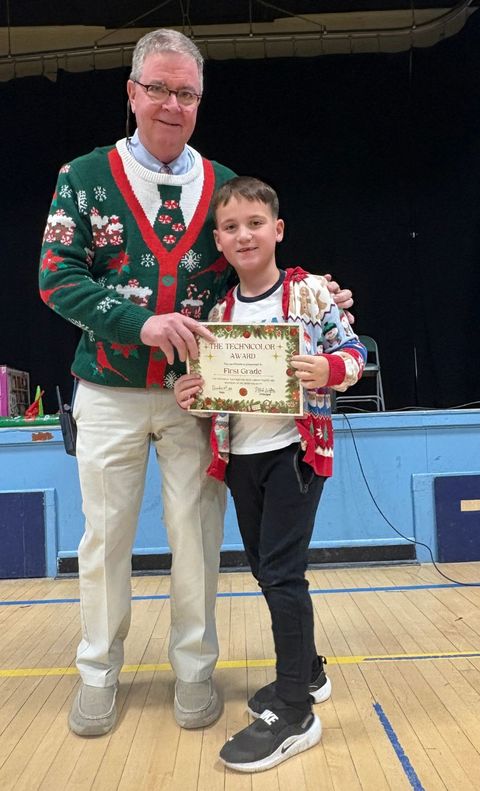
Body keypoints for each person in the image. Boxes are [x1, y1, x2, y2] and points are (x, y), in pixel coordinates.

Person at [37, 28, 354, 737]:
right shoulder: (83, 178)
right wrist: (137, 322)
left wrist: (320, 293)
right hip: (110, 389)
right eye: (158, 89)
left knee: (197, 536)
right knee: (105, 536)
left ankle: (193, 668)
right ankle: (98, 670)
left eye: (186, 92)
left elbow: (254, 274)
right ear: (132, 93)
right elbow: (55, 277)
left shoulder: (221, 184)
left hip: (198, 398)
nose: (172, 104)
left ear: (199, 100)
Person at [173, 176, 365, 771]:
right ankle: (307, 670)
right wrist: (194, 392)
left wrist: (328, 367)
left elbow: (356, 355)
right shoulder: (218, 310)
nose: (244, 234)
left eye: (255, 223)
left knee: (282, 573)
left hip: (296, 453)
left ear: (276, 229)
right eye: (230, 227)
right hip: (240, 458)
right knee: (262, 565)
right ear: (219, 242)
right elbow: (218, 390)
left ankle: (296, 708)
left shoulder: (310, 295)